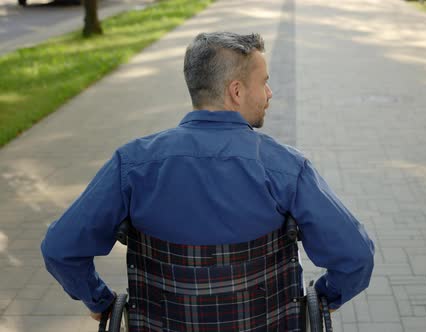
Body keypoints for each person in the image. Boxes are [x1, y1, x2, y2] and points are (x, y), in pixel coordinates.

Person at [41, 32, 374, 323]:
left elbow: (60, 248)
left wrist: (100, 300)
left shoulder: (133, 164)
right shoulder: (285, 168)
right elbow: (356, 257)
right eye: (264, 82)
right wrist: (324, 298)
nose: (270, 93)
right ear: (237, 91)